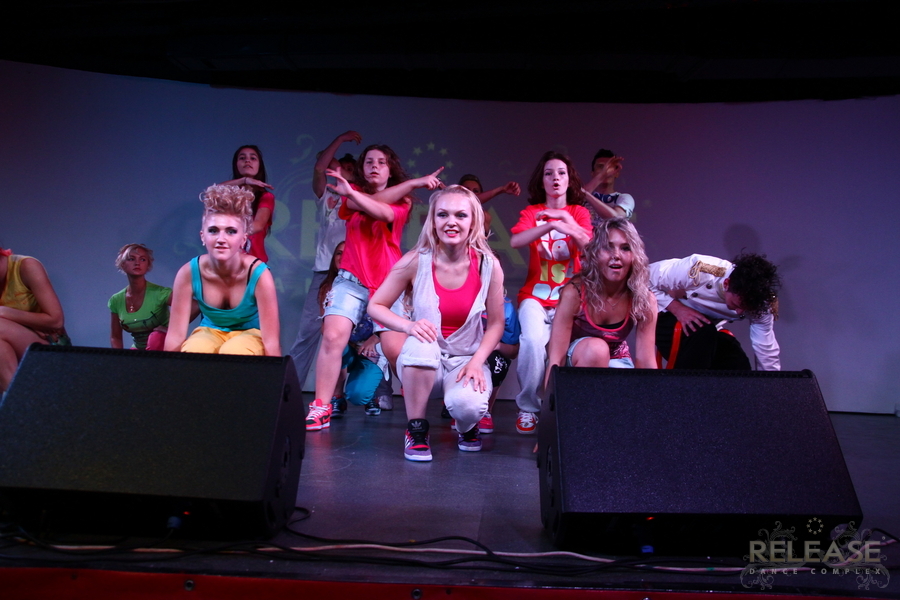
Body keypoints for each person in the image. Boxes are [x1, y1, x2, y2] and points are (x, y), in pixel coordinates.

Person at [304, 145, 443, 431]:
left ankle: (417, 411)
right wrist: (353, 193)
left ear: (391, 170)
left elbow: (382, 212)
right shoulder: (352, 192)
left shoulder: (403, 201)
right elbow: (360, 203)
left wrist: (413, 184)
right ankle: (321, 406)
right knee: (332, 336)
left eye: (381, 162)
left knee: (394, 351)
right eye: (368, 162)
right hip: (350, 280)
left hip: (387, 285)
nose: (374, 166)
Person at [369, 185, 505, 461]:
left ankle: (467, 426)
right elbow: (375, 305)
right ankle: (416, 429)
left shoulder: (488, 265)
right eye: (443, 215)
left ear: (473, 222)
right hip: (425, 357)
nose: (451, 222)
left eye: (460, 215)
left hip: (465, 359)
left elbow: (496, 324)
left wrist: (477, 361)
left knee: (468, 406)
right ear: (432, 221)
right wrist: (408, 326)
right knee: (420, 345)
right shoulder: (415, 261)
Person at [510, 151, 592, 435]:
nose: (555, 178)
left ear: (569, 180)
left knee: (563, 354)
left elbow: (589, 245)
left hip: (569, 300)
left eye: (561, 173)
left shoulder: (579, 213)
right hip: (534, 296)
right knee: (532, 342)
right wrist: (549, 224)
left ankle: (557, 407)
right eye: (549, 173)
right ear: (541, 181)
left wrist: (564, 219)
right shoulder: (531, 212)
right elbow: (516, 240)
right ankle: (528, 408)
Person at [164, 184, 280, 356]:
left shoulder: (259, 274)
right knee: (194, 351)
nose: (221, 239)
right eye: (213, 231)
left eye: (231, 231)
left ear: (243, 239)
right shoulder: (188, 272)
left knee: (235, 351)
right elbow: (175, 336)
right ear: (203, 236)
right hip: (209, 332)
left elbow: (271, 341)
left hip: (250, 334)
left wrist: (274, 373)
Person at [545, 218, 658, 390]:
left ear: (635, 256)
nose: (616, 255)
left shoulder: (644, 299)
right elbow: (556, 357)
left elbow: (646, 361)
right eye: (608, 247)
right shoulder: (575, 292)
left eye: (625, 248)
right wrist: (551, 401)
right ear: (595, 253)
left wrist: (654, 401)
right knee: (597, 349)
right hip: (574, 363)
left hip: (616, 359)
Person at [288, 131, 359, 389]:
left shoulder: (362, 197)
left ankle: (370, 394)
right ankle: (290, 390)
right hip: (324, 272)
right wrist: (340, 139)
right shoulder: (328, 193)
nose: (342, 170)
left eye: (349, 168)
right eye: (341, 166)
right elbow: (321, 165)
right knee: (308, 332)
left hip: (354, 273)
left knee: (362, 334)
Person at [650, 253, 781, 370]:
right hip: (666, 319)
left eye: (746, 309)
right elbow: (644, 277)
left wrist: (771, 382)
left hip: (708, 330)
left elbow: (765, 346)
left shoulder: (762, 305)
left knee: (735, 360)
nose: (740, 312)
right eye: (737, 305)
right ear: (727, 284)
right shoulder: (700, 270)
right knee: (703, 331)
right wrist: (677, 308)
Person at [0, 246, 66, 393]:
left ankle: (18, 400)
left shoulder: (26, 266)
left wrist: (5, 312)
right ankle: (18, 400)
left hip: (50, 348)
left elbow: (56, 321)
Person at [108, 243, 171, 351]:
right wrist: (119, 358)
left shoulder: (161, 293)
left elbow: (194, 306)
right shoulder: (116, 300)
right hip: (139, 350)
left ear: (148, 265)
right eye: (131, 259)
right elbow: (116, 337)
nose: (137, 263)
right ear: (122, 264)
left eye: (142, 259)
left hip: (164, 349)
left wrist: (172, 329)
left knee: (156, 337)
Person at [221, 145, 275, 263]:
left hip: (254, 263)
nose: (247, 161)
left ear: (259, 165)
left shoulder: (266, 196)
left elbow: (258, 225)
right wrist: (244, 180)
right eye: (242, 158)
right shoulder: (228, 194)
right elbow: (212, 192)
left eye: (253, 158)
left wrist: (229, 230)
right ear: (236, 164)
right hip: (227, 261)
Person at [582, 149, 635, 222]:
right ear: (592, 174)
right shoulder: (584, 197)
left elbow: (616, 218)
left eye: (609, 167)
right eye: (600, 167)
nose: (606, 170)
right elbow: (575, 199)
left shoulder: (624, 198)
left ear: (616, 173)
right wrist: (602, 175)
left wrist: (586, 194)